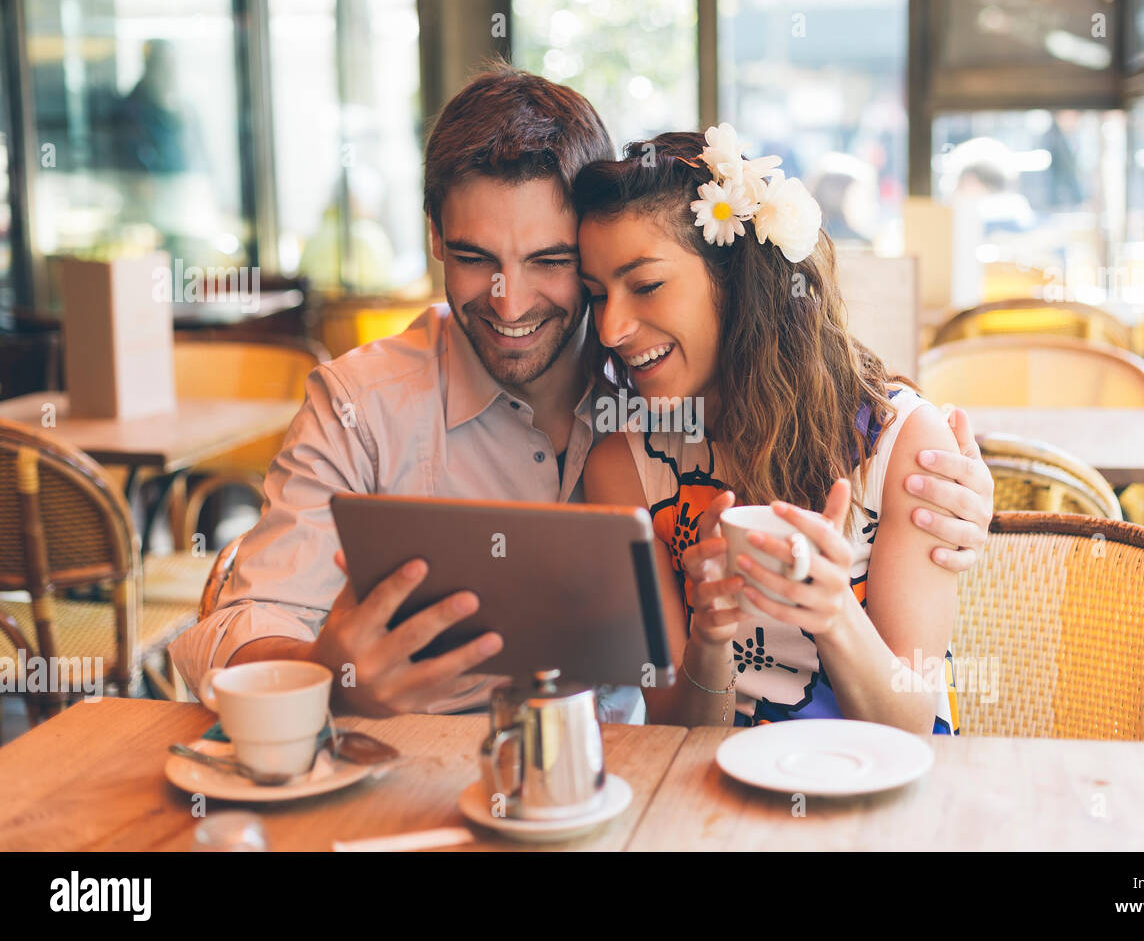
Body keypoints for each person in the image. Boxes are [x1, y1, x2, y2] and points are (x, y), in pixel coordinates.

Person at [168, 65, 994, 721]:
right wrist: (333, 676)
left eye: (551, 263)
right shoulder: (367, 403)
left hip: (643, 785)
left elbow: (838, 413)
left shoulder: (664, 385)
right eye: (474, 257)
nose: (509, 298)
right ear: (434, 244)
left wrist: (970, 486)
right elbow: (249, 618)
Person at [577, 128, 984, 732]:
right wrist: (709, 640)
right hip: (718, 794)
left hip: (881, 791)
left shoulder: (901, 443)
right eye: (595, 295)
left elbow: (912, 723)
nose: (610, 329)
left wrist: (834, 613)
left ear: (738, 280)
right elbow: (674, 733)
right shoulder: (624, 467)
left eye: (646, 285)